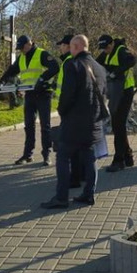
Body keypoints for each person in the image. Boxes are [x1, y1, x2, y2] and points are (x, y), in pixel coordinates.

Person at [41, 34, 107, 209]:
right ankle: (89, 194)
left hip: (74, 122)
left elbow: (67, 94)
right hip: (93, 122)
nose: (69, 50)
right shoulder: (99, 68)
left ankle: (61, 197)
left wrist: (62, 111)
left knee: (63, 156)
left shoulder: (73, 65)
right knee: (90, 157)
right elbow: (103, 94)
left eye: (70, 47)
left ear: (76, 47)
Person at [0, 35, 59, 166]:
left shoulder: (42, 54)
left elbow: (55, 67)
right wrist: (1, 81)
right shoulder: (21, 58)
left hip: (43, 93)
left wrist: (42, 79)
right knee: (29, 125)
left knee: (45, 126)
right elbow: (11, 71)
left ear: (29, 44)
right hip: (30, 94)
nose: (21, 51)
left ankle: (46, 154)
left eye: (22, 48)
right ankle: (27, 155)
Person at [96, 34, 136, 172]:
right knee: (118, 125)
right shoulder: (106, 54)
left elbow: (132, 61)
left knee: (118, 124)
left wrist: (115, 72)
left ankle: (119, 160)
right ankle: (127, 156)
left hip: (125, 91)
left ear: (112, 43)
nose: (105, 50)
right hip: (115, 92)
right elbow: (96, 63)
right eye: (103, 48)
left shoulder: (121, 50)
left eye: (106, 47)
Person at [55, 33, 83, 188]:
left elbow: (68, 89)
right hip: (72, 108)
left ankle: (74, 177)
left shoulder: (69, 62)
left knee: (70, 145)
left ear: (68, 46)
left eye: (62, 45)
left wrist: (63, 108)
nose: (60, 47)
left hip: (69, 109)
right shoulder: (71, 61)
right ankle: (78, 175)